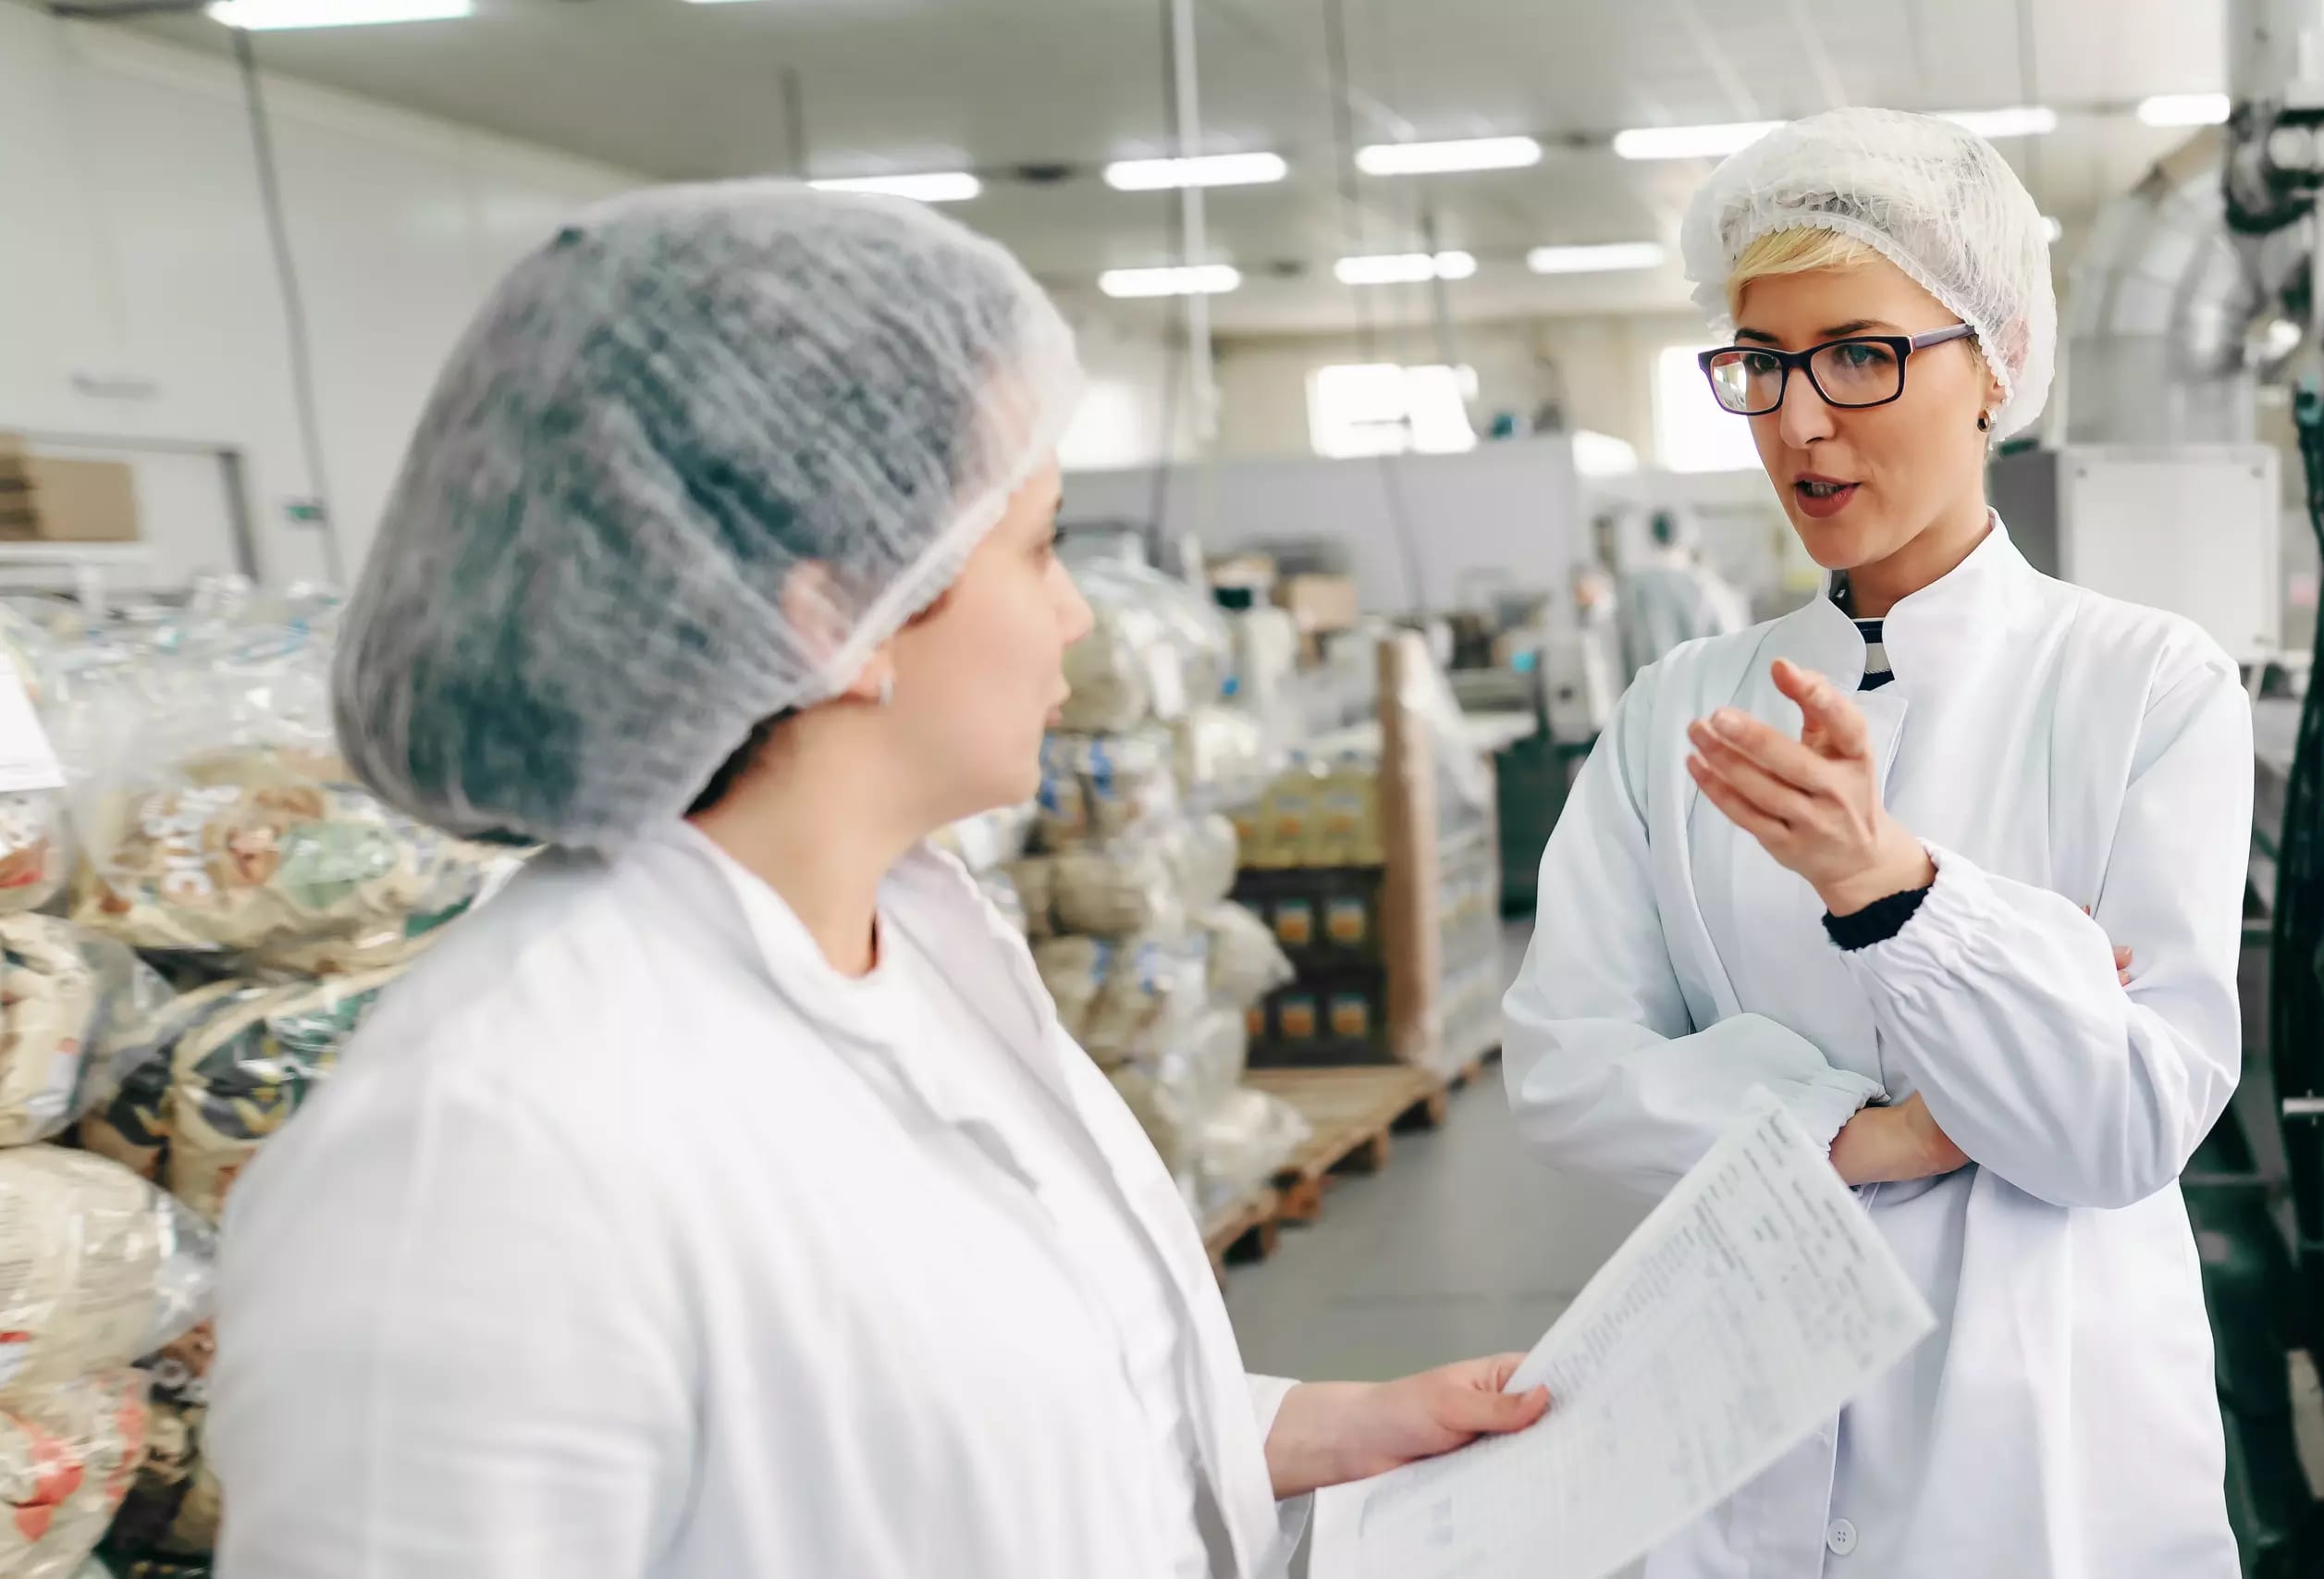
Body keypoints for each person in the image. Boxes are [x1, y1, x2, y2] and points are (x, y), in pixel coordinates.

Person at [211, 184, 1544, 1579]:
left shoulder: (911, 941)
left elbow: (977, 1416)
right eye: (1039, 548)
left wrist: (1314, 1430)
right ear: (838, 614)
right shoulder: (486, 1152)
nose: (1076, 616)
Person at [1503, 107, 2250, 1576]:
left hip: (2035, 1452)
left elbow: (2121, 1119)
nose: (1796, 419)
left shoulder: (2145, 685)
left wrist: (1889, 889)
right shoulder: (1677, 711)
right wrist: (1864, 1129)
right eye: (1760, 361)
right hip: (1734, 1419)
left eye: (1858, 354)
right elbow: (1566, 1066)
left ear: (1998, 364)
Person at [1616, 506, 1752, 674]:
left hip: (1653, 684)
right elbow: (1730, 643)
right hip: (1702, 683)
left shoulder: (1636, 588)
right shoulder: (1707, 585)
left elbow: (1627, 650)